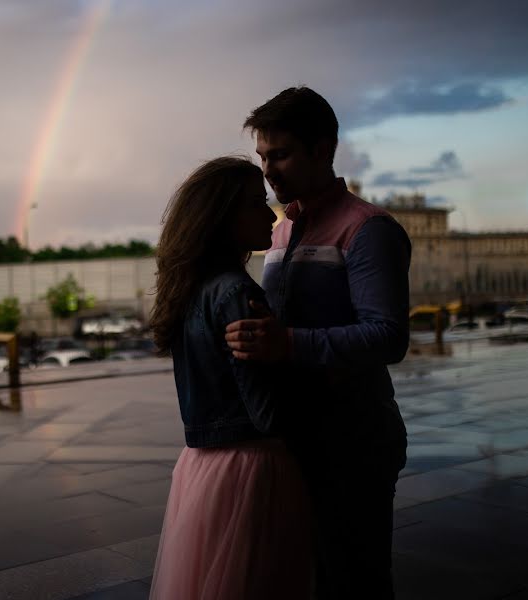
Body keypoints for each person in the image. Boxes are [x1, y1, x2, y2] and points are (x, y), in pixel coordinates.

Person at [225, 87, 412, 599]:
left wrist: (287, 345)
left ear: (324, 149)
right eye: (263, 156)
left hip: (354, 440)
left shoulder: (368, 229)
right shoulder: (280, 233)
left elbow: (388, 336)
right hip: (294, 439)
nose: (268, 170)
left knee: (355, 580)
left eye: (280, 154)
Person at [149, 156, 312, 600]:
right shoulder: (237, 293)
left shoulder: (190, 289)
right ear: (223, 217)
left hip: (201, 468)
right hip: (251, 469)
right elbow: (267, 412)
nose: (269, 214)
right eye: (256, 204)